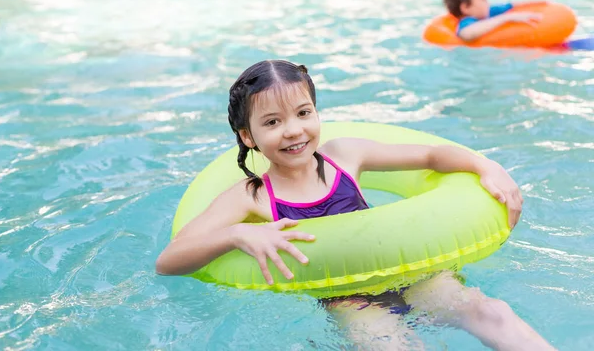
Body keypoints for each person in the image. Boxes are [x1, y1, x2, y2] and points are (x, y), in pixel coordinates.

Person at [156, 60, 554, 350]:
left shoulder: (344, 156)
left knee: (492, 312)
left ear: (317, 113)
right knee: (392, 345)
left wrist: (486, 166)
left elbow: (431, 156)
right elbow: (170, 260)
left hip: (415, 271)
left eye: (303, 113)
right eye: (272, 122)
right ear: (248, 136)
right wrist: (238, 233)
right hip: (348, 298)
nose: (294, 130)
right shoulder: (253, 196)